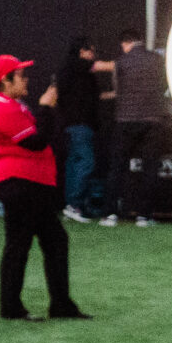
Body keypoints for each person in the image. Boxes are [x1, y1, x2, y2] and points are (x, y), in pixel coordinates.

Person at [0, 55, 89, 322]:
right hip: (21, 183)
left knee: (47, 241)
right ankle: (17, 307)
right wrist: (45, 107)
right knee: (24, 244)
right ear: (5, 81)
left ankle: (53, 305)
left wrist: (45, 109)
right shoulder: (3, 108)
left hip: (26, 183)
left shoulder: (8, 105)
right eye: (21, 75)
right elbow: (36, 142)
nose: (26, 79)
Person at [108, 33, 169, 227]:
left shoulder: (121, 61)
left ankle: (111, 213)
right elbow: (164, 85)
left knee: (117, 166)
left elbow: (117, 89)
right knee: (150, 168)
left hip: (125, 119)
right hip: (152, 119)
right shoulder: (158, 60)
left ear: (126, 43)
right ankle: (144, 216)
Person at [53, 37, 107, 223]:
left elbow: (91, 95)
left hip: (74, 125)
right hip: (79, 124)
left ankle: (72, 205)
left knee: (74, 164)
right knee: (86, 162)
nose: (93, 55)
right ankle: (74, 204)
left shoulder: (73, 72)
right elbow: (99, 66)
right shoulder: (76, 65)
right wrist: (127, 64)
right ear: (82, 52)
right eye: (91, 51)